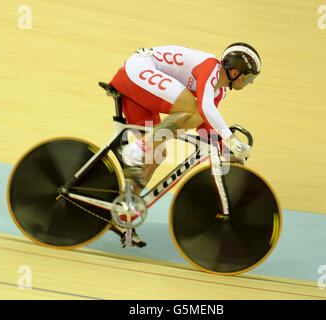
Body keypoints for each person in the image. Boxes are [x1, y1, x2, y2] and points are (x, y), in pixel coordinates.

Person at [108, 42, 261, 248]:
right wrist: (231, 139)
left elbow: (205, 125)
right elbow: (204, 109)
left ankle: (122, 214)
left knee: (157, 155)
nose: (250, 83)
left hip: (140, 89)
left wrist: (227, 151)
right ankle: (137, 148)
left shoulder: (218, 92)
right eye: (249, 77)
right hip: (138, 70)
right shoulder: (210, 68)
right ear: (235, 71)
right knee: (190, 107)